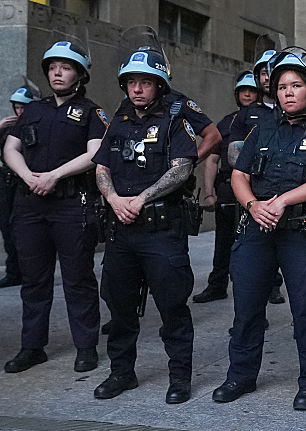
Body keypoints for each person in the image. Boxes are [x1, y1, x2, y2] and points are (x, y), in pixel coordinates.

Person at [212, 48, 306, 411]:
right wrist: (253, 206)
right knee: (247, 306)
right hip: (258, 228)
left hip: (301, 230)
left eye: (296, 85)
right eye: (282, 85)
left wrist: (282, 201)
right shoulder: (260, 131)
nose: (287, 91)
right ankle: (240, 375)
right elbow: (239, 175)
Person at [92, 47, 197, 403]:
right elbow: (102, 167)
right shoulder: (118, 122)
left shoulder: (174, 120)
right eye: (132, 82)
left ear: (160, 85)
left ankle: (179, 379)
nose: (137, 89)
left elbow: (182, 167)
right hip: (121, 231)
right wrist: (113, 198)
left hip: (161, 232)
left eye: (146, 82)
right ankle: (122, 373)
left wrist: (142, 198)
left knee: (172, 307)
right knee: (120, 309)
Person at [2, 42, 104, 375]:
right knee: (34, 281)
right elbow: (11, 148)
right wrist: (28, 175)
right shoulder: (33, 109)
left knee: (78, 279)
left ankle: (86, 347)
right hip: (30, 204)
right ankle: (32, 347)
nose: (57, 73)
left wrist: (54, 176)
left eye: (65, 67)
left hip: (72, 205)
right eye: (52, 67)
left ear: (80, 74)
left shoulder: (91, 111)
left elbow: (94, 154)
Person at [193, 71, 260, 303]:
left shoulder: (267, 118)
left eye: (252, 90)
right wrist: (209, 192)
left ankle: (271, 286)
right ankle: (217, 285)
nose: (248, 94)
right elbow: (212, 160)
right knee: (223, 242)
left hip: (257, 190)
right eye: (243, 90)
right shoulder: (227, 122)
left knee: (259, 242)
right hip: (227, 188)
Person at [227, 48, 285, 305]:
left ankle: (275, 284)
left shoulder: (294, 109)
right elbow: (234, 156)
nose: (267, 76)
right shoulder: (247, 113)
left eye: (272, 71)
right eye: (263, 71)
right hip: (251, 192)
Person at [0, 85, 37, 288]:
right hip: (7, 182)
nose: (19, 112)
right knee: (7, 227)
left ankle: (27, 271)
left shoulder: (37, 123)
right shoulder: (8, 128)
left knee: (23, 229)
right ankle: (14, 272)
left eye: (23, 107)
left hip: (27, 182)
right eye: (17, 107)